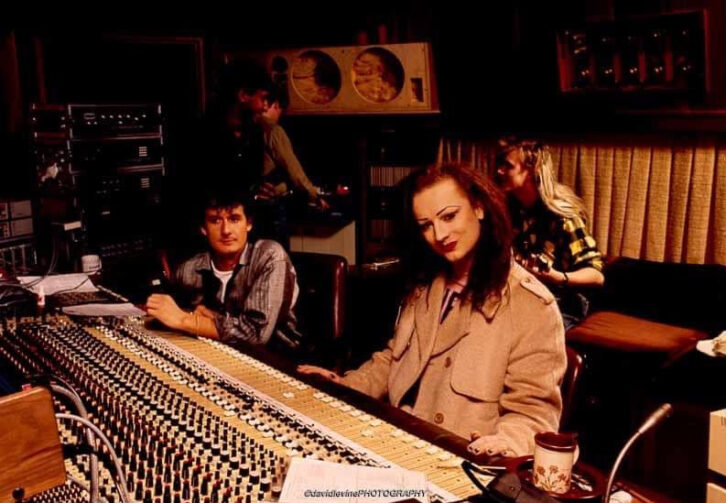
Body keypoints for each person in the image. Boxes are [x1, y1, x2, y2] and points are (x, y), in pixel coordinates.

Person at [299, 163, 566, 457]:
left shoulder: (533, 306)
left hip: (458, 460)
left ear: (479, 208)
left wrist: (505, 442)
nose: (439, 234)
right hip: (393, 441)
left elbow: (534, 416)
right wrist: (344, 386)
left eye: (449, 216)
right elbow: (392, 360)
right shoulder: (425, 287)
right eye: (426, 225)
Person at [146, 188, 303, 354]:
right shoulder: (188, 269)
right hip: (217, 354)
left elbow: (255, 334)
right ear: (203, 228)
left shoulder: (270, 256)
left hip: (278, 360)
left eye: (234, 219)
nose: (226, 230)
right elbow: (167, 313)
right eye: (215, 221)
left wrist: (186, 320)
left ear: (248, 223)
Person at [495, 137, 604, 330]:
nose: (499, 171)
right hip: (524, 298)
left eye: (507, 166)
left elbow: (596, 275)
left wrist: (556, 276)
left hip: (563, 303)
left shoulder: (563, 217)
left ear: (531, 170)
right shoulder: (510, 210)